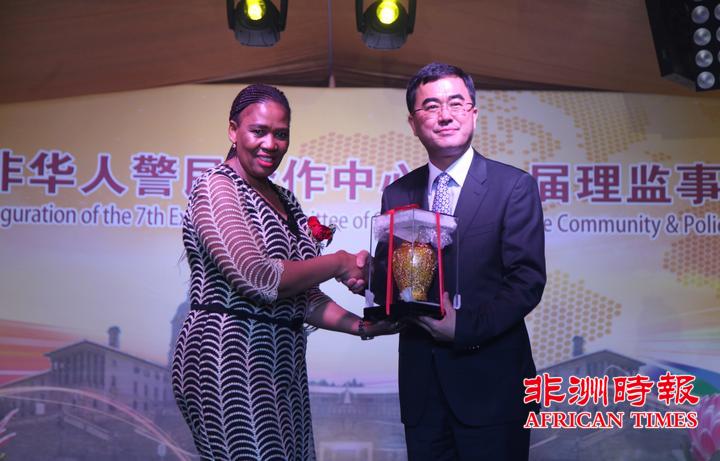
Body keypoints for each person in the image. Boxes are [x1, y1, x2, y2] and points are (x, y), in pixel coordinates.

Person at [171, 83, 397, 460]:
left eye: (280, 134)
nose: (270, 144)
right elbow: (259, 278)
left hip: (282, 360)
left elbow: (302, 297)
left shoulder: (286, 200)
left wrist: (362, 326)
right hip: (227, 358)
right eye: (258, 131)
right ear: (233, 131)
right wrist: (339, 262)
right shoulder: (217, 188)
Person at [379, 63, 547, 460]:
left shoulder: (513, 187)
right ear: (413, 123)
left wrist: (463, 327)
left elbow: (526, 281)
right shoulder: (397, 193)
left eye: (456, 103)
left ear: (473, 113)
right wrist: (370, 281)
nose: (445, 115)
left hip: (492, 387)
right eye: (431, 106)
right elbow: (398, 279)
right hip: (422, 391)